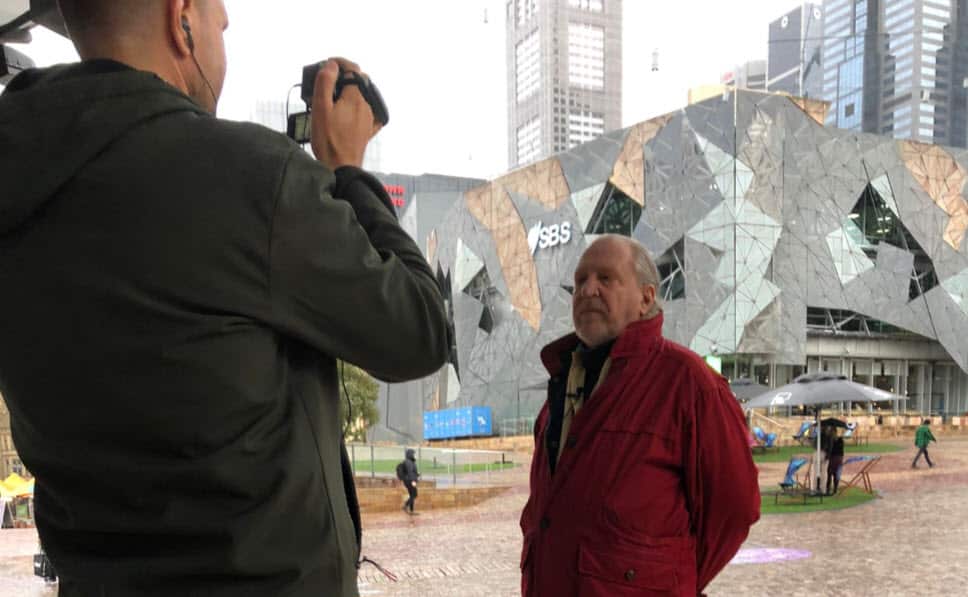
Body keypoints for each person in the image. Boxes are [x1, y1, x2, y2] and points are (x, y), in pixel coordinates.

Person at [0, 1, 450, 595]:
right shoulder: (249, 177)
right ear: (181, 17)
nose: (226, 26)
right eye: (218, 13)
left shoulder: (19, 188)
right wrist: (348, 172)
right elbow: (420, 330)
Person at [519, 235, 760, 597]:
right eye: (580, 281)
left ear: (646, 298)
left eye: (605, 278)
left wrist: (665, 580)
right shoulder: (561, 386)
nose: (587, 290)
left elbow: (734, 509)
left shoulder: (689, 383)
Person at [400, 448, 420, 515]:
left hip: (408, 480)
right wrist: (413, 481)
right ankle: (405, 505)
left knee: (412, 495)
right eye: (413, 454)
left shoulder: (409, 461)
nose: (414, 455)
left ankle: (411, 511)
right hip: (410, 481)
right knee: (414, 495)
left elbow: (411, 472)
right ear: (410, 454)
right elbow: (410, 472)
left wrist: (417, 474)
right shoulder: (408, 462)